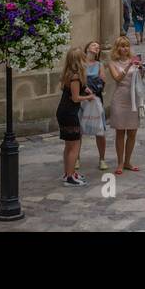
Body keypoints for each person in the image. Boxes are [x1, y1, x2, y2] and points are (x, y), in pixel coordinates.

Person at [107, 36, 145, 174]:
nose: (125, 49)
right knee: (120, 132)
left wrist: (142, 68)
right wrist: (129, 65)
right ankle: (119, 162)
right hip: (120, 99)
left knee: (132, 132)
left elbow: (141, 78)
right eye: (122, 46)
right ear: (117, 48)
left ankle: (128, 161)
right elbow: (117, 78)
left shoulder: (134, 60)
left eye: (127, 46)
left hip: (133, 100)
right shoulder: (112, 63)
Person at [57, 46, 96, 185]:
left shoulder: (70, 73)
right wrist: (88, 97)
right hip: (69, 112)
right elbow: (75, 98)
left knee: (69, 146)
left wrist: (85, 88)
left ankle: (69, 172)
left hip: (64, 111)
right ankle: (69, 177)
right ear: (79, 60)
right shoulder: (74, 76)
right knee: (74, 146)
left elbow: (77, 88)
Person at [81, 40, 109, 171]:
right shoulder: (80, 64)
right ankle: (76, 158)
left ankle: (102, 159)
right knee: (78, 130)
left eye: (98, 46)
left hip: (96, 98)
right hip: (82, 99)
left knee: (100, 131)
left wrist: (91, 86)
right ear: (87, 48)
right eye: (93, 45)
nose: (96, 47)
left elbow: (102, 81)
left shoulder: (99, 64)